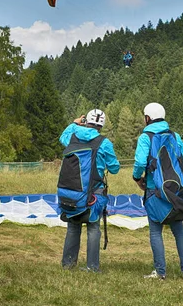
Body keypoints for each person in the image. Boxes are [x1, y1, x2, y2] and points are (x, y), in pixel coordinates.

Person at [133, 102, 183, 280]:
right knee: (178, 230)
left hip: (155, 191)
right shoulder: (175, 136)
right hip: (175, 192)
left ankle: (160, 272)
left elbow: (139, 163)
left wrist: (138, 179)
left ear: (147, 118)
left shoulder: (145, 138)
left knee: (155, 231)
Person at [59, 109, 120, 273]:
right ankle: (92, 267)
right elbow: (114, 168)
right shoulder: (104, 142)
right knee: (93, 227)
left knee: (73, 226)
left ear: (87, 121)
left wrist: (74, 123)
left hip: (72, 190)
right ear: (101, 124)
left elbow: (62, 138)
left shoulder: (72, 136)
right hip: (94, 192)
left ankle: (68, 264)